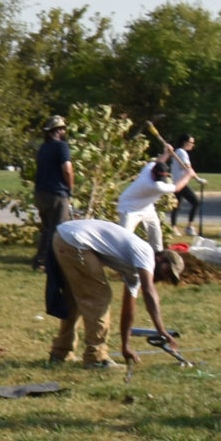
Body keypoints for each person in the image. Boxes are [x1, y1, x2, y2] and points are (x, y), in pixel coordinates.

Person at [48, 214, 175, 367]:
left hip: (64, 236)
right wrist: (161, 330)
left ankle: (61, 352)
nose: (165, 277)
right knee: (99, 296)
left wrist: (125, 346)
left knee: (76, 299)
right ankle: (97, 358)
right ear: (161, 258)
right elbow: (149, 291)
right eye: (168, 271)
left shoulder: (134, 272)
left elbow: (128, 311)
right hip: (75, 240)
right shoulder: (146, 253)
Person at [32, 116, 73, 269]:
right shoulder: (61, 146)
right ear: (55, 132)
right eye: (61, 129)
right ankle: (51, 263)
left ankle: (40, 261)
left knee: (47, 229)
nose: (63, 131)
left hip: (40, 193)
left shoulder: (43, 148)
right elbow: (67, 170)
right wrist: (70, 189)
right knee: (58, 230)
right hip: (56, 193)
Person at [115, 150, 176, 250]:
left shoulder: (149, 168)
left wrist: (167, 153)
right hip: (129, 208)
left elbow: (158, 162)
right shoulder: (154, 186)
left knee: (155, 232)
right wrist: (189, 174)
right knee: (124, 237)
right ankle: (119, 257)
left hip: (147, 207)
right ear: (152, 173)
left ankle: (158, 255)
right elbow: (177, 187)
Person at [169, 136, 202, 235]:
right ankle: (189, 227)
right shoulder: (182, 152)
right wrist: (197, 179)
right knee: (196, 202)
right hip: (181, 183)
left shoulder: (178, 151)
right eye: (191, 142)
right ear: (184, 142)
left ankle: (173, 227)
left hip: (176, 182)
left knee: (176, 205)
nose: (192, 145)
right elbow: (188, 168)